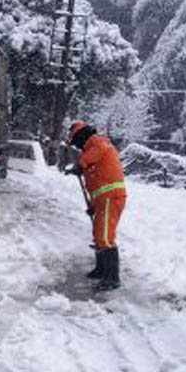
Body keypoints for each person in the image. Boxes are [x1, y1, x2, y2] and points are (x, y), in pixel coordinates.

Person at [64, 121, 127, 292]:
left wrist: (80, 164)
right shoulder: (90, 149)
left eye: (76, 141)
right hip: (102, 199)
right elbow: (95, 180)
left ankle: (112, 278)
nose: (76, 145)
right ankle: (101, 270)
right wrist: (93, 204)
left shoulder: (98, 142)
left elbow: (98, 152)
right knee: (99, 235)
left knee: (105, 237)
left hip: (111, 197)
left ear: (81, 135)